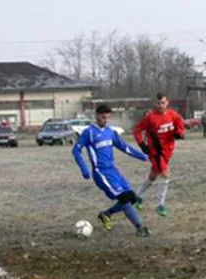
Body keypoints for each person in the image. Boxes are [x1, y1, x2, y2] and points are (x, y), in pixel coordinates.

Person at [72, 104, 151, 237]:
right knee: (124, 198)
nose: (106, 120)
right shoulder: (89, 133)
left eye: (108, 118)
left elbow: (124, 147)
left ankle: (106, 214)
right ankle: (140, 227)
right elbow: (76, 150)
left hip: (113, 171)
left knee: (131, 198)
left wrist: (142, 156)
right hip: (101, 173)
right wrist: (84, 169)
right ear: (97, 116)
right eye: (103, 117)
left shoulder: (110, 132)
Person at [132, 92, 185, 217]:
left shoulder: (173, 115)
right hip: (156, 152)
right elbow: (137, 129)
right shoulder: (150, 117)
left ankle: (136, 197)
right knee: (166, 174)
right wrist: (141, 144)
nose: (160, 105)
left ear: (167, 103)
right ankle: (161, 205)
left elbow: (180, 126)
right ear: (155, 104)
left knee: (153, 176)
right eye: (158, 103)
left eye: (162, 103)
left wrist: (180, 133)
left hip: (167, 151)